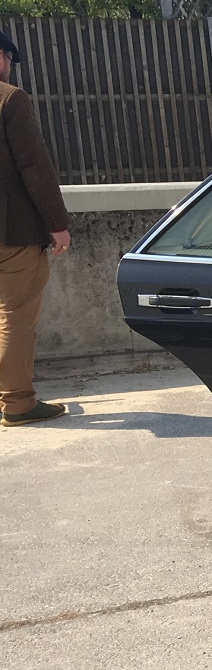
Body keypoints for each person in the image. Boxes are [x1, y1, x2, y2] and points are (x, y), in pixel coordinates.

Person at [0, 28, 71, 427]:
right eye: (9, 59)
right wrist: (57, 225)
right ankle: (17, 403)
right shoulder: (11, 99)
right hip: (11, 231)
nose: (10, 67)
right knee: (15, 315)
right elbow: (34, 166)